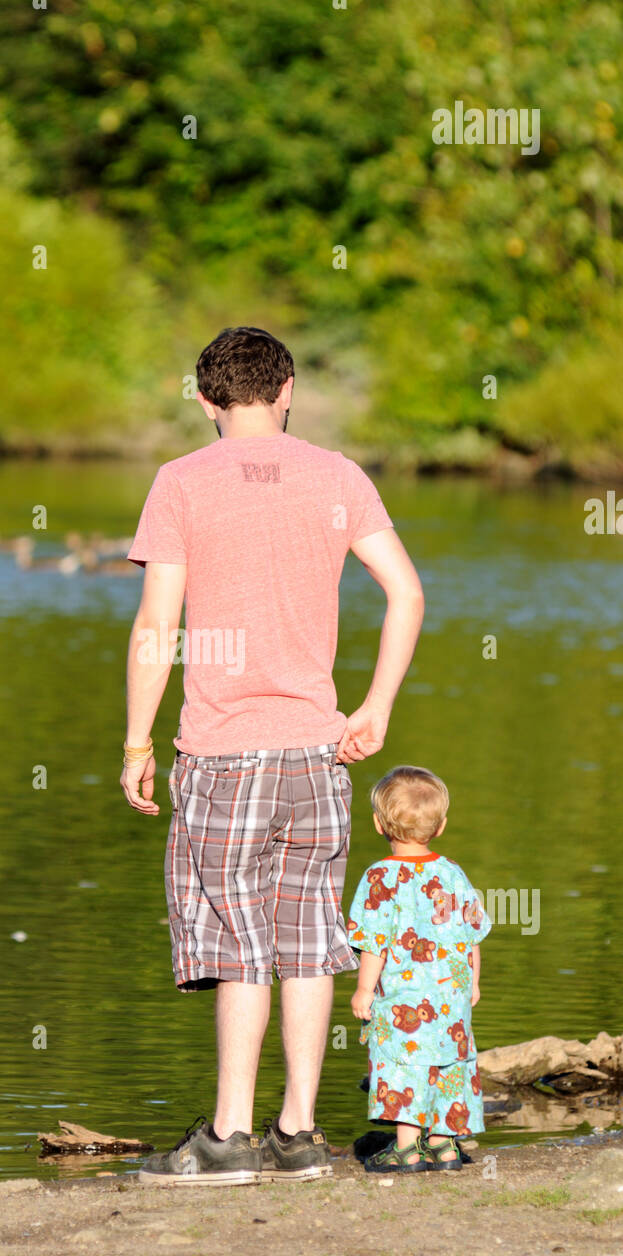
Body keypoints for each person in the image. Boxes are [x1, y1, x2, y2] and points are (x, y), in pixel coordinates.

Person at [120, 326, 424, 1186]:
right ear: (286, 388)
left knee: (237, 947)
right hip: (316, 756)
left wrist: (138, 741)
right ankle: (296, 1135)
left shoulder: (180, 482)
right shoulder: (337, 476)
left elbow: (156, 629)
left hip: (222, 756)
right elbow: (406, 593)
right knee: (307, 943)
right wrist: (375, 706)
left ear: (206, 399)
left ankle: (226, 1137)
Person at [348, 765, 492, 1174]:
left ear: (378, 823)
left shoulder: (380, 878)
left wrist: (363, 989)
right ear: (441, 826)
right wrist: (474, 983)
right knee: (448, 1063)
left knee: (402, 1063)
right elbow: (471, 935)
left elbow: (374, 942)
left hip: (403, 1001)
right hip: (452, 998)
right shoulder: (452, 873)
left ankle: (408, 1148)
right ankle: (446, 1147)